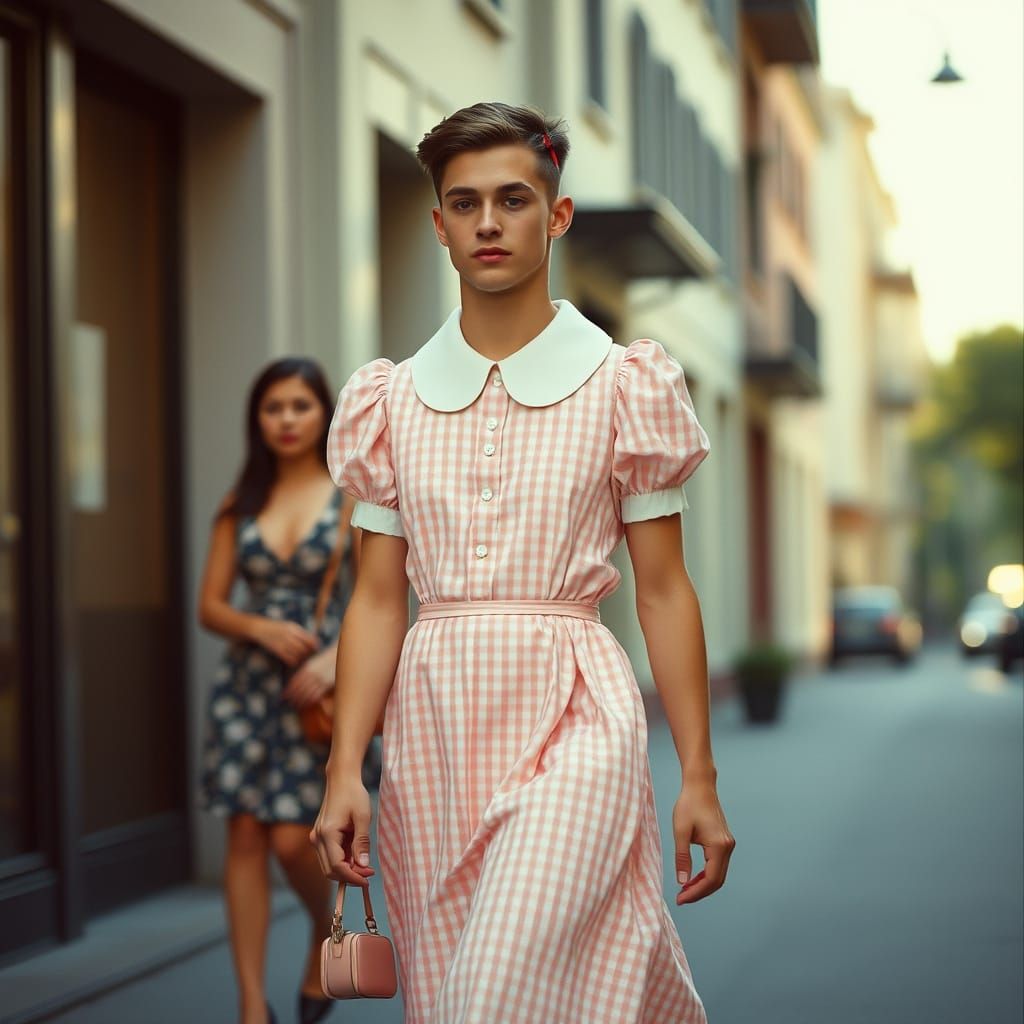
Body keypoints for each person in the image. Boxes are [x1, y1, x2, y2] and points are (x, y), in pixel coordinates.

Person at [311, 102, 736, 1023]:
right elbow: (378, 603)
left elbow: (663, 591)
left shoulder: (627, 383)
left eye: (513, 199)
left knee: (493, 991)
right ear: (439, 225)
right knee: (459, 991)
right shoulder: (389, 401)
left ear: (558, 214)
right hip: (433, 729)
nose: (489, 223)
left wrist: (697, 774)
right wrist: (346, 767)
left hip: (577, 709)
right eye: (465, 204)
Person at [198, 357, 358, 1024]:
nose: (287, 419)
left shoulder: (356, 494)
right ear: (256, 420)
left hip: (322, 693)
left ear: (323, 413)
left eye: (300, 405)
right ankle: (248, 1004)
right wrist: (257, 626)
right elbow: (210, 606)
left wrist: (335, 660)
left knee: (297, 842)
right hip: (247, 687)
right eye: (273, 408)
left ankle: (324, 930)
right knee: (243, 833)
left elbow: (386, 598)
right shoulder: (242, 503)